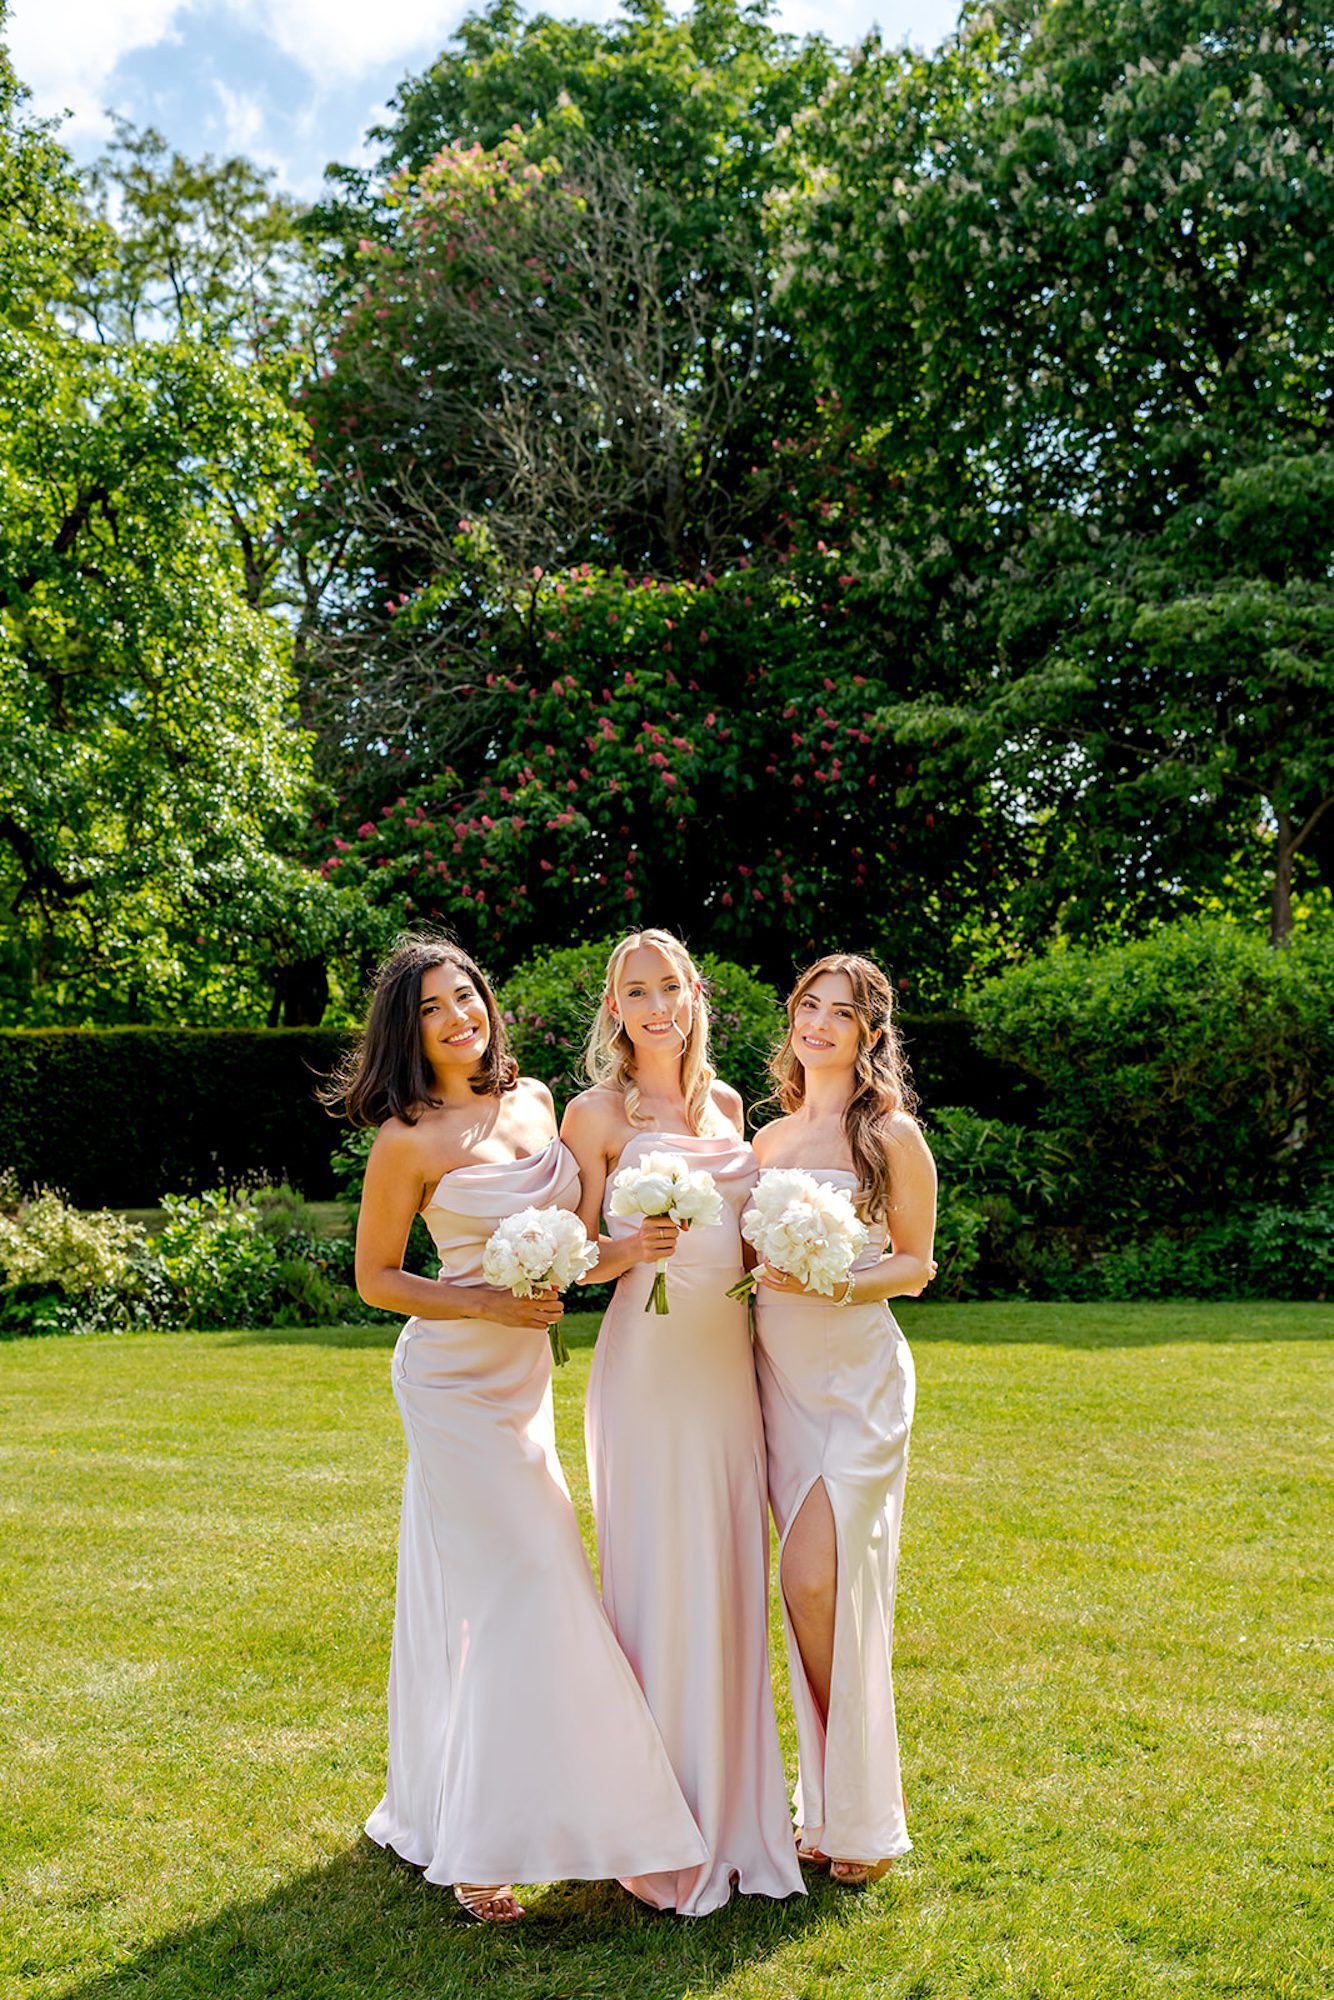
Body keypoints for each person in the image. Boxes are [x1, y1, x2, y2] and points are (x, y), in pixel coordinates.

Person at [337, 932, 705, 1925]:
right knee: (528, 1583)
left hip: (523, 1379)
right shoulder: (407, 1138)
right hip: (453, 1383)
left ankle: (487, 1801)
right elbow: (376, 1277)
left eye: (465, 996)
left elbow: (573, 1251)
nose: (458, 1017)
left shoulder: (537, 1100)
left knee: (496, 1591)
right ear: (408, 1032)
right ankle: (485, 1844)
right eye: (432, 1009)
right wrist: (486, 1303)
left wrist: (632, 1246)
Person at [561, 928, 804, 1916]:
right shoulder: (594, 1114)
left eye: (669, 986)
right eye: (636, 991)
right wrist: (631, 1247)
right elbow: (572, 1253)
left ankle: (737, 1812)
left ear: (696, 993)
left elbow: (743, 1240)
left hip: (724, 1365)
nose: (656, 1005)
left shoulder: (730, 1107)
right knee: (660, 1576)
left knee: (728, 1572)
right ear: (613, 1007)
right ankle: (655, 1822)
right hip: (649, 1370)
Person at [751, 953, 936, 1887]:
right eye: (808, 1006)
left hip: (859, 1383)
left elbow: (915, 1265)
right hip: (780, 1383)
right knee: (805, 1594)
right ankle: (827, 1805)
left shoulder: (891, 1135)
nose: (818, 1024)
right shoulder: (767, 1139)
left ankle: (857, 1807)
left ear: (870, 1033)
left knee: (818, 1579)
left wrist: (833, 1280)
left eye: (841, 1013)